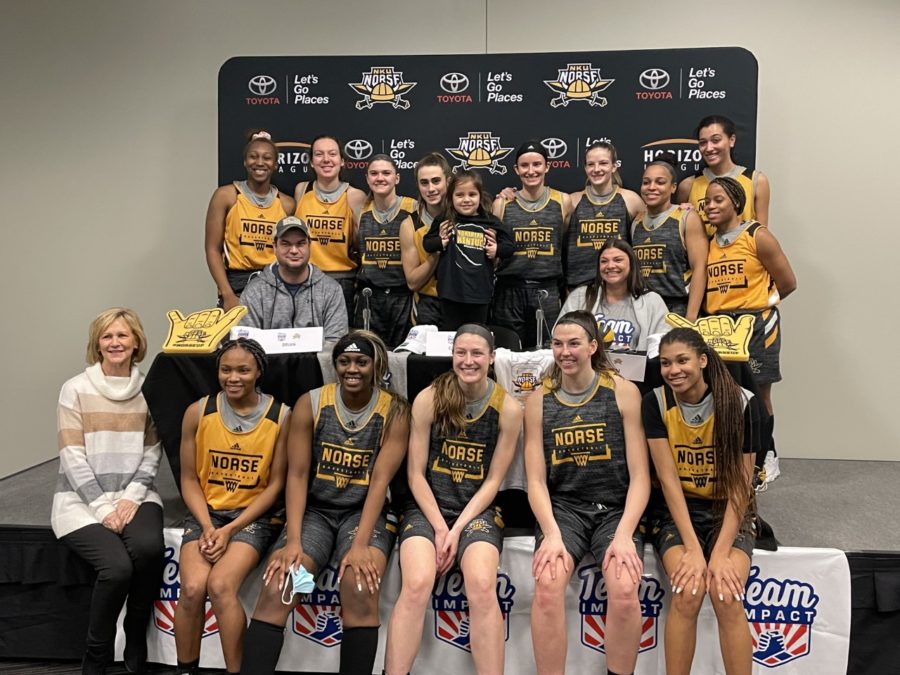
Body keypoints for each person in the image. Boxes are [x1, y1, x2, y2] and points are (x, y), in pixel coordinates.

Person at [241, 331, 409, 675]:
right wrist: (294, 542)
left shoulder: (394, 411)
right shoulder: (312, 403)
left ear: (375, 366)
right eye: (344, 362)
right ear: (334, 366)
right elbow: (298, 475)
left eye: (361, 362)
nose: (352, 369)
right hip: (317, 513)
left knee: (358, 586)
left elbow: (380, 481)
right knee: (283, 585)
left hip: (363, 515)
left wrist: (361, 544)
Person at [385, 324, 522, 675]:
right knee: (416, 583)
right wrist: (438, 526)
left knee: (480, 584)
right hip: (428, 506)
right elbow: (414, 474)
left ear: (492, 358)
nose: (468, 360)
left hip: (476, 510)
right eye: (461, 353)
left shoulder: (507, 408)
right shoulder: (430, 398)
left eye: (477, 353)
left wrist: (455, 529)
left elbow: (494, 480)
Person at [524, 310, 649, 675]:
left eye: (574, 343)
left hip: (614, 509)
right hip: (564, 510)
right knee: (547, 587)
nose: (565, 351)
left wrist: (625, 533)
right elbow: (534, 480)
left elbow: (641, 477)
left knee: (625, 590)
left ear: (593, 347)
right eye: (558, 344)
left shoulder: (623, 392)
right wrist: (550, 533)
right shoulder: (539, 401)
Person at [643, 327, 764, 675]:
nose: (673, 370)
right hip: (678, 510)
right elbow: (667, 481)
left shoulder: (742, 403)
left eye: (682, 360)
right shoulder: (655, 402)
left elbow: (742, 487)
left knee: (727, 598)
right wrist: (695, 549)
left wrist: (722, 551)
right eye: (665, 363)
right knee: (688, 591)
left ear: (702, 360)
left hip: (728, 508)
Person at [52, 308, 165, 675]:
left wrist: (131, 498)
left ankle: (135, 632)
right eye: (106, 336)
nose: (115, 342)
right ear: (96, 344)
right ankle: (97, 655)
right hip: (80, 500)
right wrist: (103, 509)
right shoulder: (75, 389)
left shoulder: (150, 389)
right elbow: (71, 456)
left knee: (148, 548)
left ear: (136, 343)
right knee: (116, 569)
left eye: (122, 335)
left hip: (135, 494)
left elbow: (152, 451)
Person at [174, 338, 290, 675]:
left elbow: (277, 486)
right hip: (207, 515)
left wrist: (230, 530)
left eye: (243, 370)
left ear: (258, 373)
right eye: (226, 369)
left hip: (252, 517)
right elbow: (189, 479)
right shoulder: (198, 411)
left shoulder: (281, 416)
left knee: (221, 585)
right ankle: (185, 669)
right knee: (193, 588)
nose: (233, 377)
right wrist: (209, 526)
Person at [703, 176, 796, 483]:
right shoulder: (709, 244)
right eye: (708, 201)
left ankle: (766, 456)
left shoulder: (757, 235)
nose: (711, 206)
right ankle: (734, 459)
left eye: (719, 200)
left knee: (758, 390)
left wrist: (760, 304)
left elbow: (788, 282)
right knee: (727, 394)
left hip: (756, 323)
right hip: (721, 326)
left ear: (736, 202)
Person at [493, 141, 572, 348]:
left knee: (548, 352)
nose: (531, 171)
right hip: (509, 290)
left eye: (537, 164)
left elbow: (563, 243)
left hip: (547, 289)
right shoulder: (502, 203)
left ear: (547, 166)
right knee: (508, 353)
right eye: (524, 166)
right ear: (516, 170)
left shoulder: (562, 201)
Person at [205, 130, 296, 308]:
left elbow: (291, 252)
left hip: (276, 284)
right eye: (253, 157)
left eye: (267, 158)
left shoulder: (287, 204)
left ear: (276, 164)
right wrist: (227, 294)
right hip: (236, 285)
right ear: (245, 161)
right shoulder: (227, 196)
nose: (260, 162)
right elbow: (212, 249)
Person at [424, 169, 515, 330]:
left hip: (480, 294)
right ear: (451, 198)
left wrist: (496, 249)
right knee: (450, 339)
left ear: (480, 197)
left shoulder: (489, 220)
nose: (466, 200)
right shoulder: (444, 219)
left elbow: (510, 247)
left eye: (472, 194)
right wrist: (441, 242)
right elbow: (427, 244)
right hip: (450, 293)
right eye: (460, 195)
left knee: (477, 336)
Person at [238, 215, 348, 343]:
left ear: (309, 245)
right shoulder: (255, 291)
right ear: (274, 246)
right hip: (270, 363)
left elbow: (336, 342)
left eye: (300, 243)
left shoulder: (331, 290)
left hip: (316, 363)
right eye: (286, 244)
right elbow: (246, 344)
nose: (294, 250)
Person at [294, 135, 367, 315]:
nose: (326, 159)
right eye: (319, 154)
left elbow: (361, 243)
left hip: (342, 280)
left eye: (332, 154)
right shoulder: (302, 190)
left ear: (342, 161)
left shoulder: (355, 195)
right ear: (311, 162)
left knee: (339, 339)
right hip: (305, 278)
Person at [353, 155, 418, 348]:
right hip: (370, 298)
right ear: (367, 179)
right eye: (374, 173)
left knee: (402, 357)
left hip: (403, 297)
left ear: (396, 178)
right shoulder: (360, 211)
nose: (380, 178)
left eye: (386, 173)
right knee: (369, 354)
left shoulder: (413, 207)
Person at [631, 157, 707, 320]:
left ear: (673, 188)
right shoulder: (636, 222)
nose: (651, 187)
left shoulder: (686, 218)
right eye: (646, 182)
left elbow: (700, 268)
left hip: (677, 308)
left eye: (660, 182)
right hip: (643, 309)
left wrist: (691, 317)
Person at [560, 238, 670, 352]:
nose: (610, 266)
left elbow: (661, 345)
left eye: (618, 260)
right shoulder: (580, 297)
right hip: (588, 368)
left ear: (631, 264)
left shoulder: (652, 301)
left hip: (635, 368)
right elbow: (560, 337)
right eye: (604, 261)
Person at [566, 141, 644, 290]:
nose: (596, 169)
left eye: (603, 163)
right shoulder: (572, 201)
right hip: (579, 287)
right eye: (591, 164)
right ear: (585, 167)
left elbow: (655, 224)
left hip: (618, 287)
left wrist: (683, 208)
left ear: (614, 166)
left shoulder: (631, 200)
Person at [676, 115, 771, 235]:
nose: (709, 148)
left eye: (716, 140)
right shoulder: (688, 185)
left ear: (731, 140)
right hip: (703, 253)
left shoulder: (756, 181)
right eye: (703, 143)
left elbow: (761, 234)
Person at [401, 152, 450, 327]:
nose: (430, 189)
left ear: (448, 181)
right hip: (428, 305)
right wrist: (437, 249)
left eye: (436, 181)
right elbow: (413, 282)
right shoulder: (410, 225)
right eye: (424, 183)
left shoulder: (466, 215)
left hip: (464, 302)